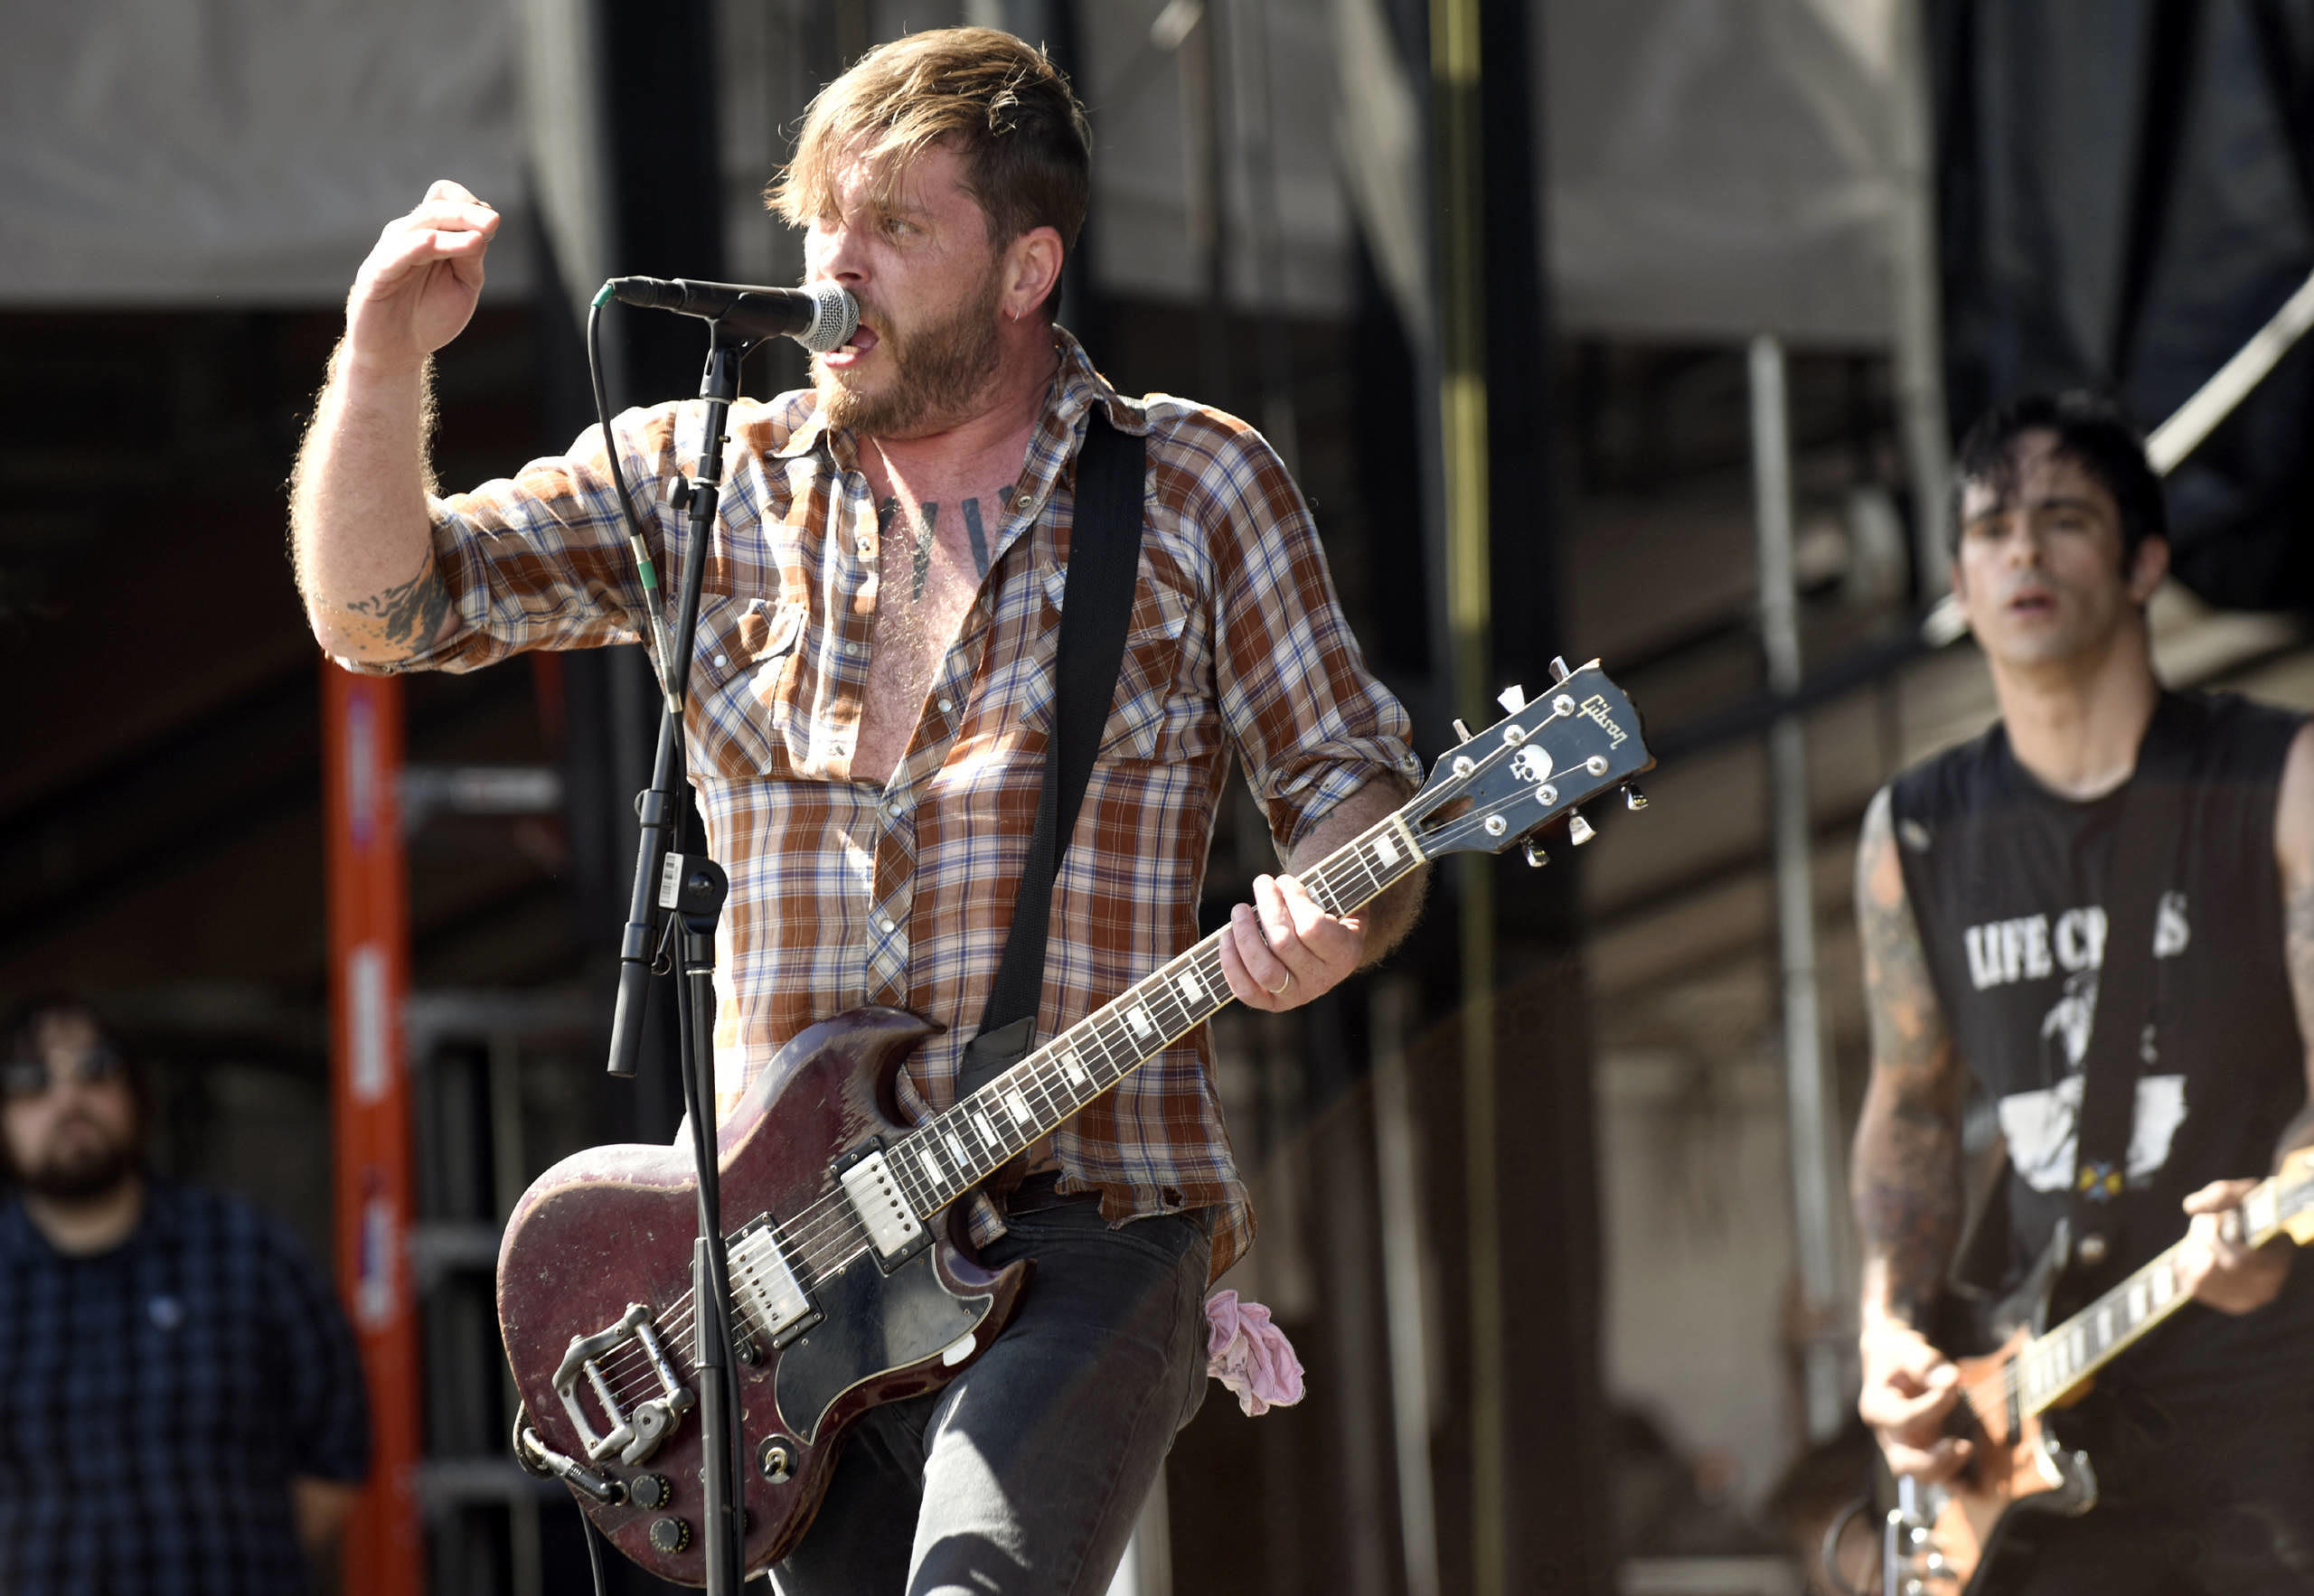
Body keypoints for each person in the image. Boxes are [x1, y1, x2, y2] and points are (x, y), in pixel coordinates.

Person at [289, 25, 1425, 1594]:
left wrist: (1332, 913)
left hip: (1086, 1216)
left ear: (1026, 271)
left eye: (895, 227)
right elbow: (381, 608)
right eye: (824, 219)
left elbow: (1351, 775)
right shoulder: (706, 479)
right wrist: (381, 357)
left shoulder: (1189, 488)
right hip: (787, 1276)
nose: (837, 265)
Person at [1850, 391, 2314, 1592]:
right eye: (1993, 526)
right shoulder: (1916, 829)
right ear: (1958, 571)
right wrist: (1891, 1328)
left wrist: (2271, 1217)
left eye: (2063, 519)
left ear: (2145, 559)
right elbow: (1909, 1104)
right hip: (2027, 1410)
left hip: (2268, 1412)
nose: (2022, 551)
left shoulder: (2278, 777)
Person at [0, 996, 372, 1595]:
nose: (68, 1101)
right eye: (31, 1082)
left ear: (137, 1097)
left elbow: (334, 1454)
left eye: (94, 1072)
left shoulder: (249, 1252)